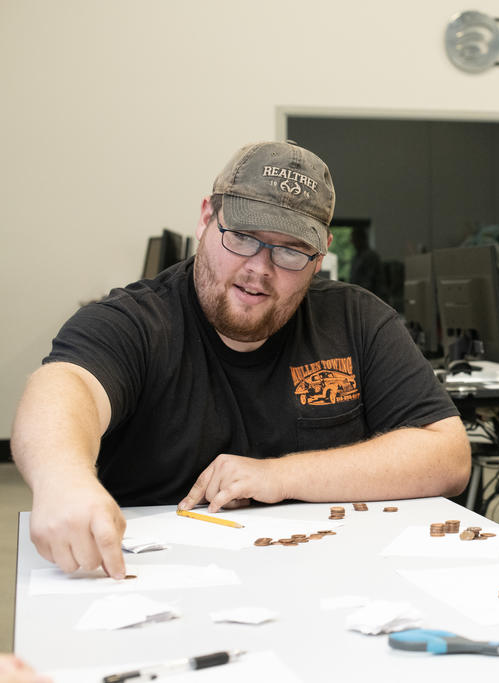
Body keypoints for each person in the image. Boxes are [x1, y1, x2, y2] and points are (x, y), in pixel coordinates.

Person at [11, 141, 470, 579]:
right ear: (207, 218)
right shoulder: (135, 322)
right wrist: (63, 478)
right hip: (158, 584)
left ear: (320, 253)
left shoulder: (357, 320)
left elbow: (447, 454)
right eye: (245, 237)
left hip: (327, 580)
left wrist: (281, 475)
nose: (260, 268)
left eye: (291, 250)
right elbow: (64, 386)